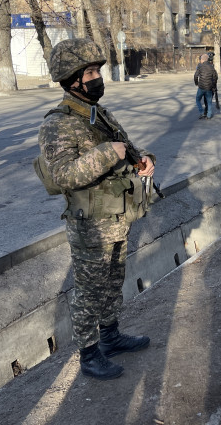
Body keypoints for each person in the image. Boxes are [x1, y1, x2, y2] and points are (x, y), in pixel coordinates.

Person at [38, 38, 155, 380]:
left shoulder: (99, 113)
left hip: (117, 217)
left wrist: (144, 160)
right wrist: (106, 154)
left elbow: (127, 149)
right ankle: (89, 354)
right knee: (90, 291)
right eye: (89, 72)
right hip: (90, 225)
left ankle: (111, 336)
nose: (96, 78)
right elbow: (63, 175)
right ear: (71, 79)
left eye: (96, 71)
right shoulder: (57, 123)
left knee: (113, 282)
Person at [194, 53, 217, 119]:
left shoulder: (200, 66)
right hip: (209, 88)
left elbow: (195, 76)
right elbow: (215, 78)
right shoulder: (212, 67)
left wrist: (196, 83)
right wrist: (213, 86)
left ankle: (201, 112)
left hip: (201, 87)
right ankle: (209, 115)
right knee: (209, 102)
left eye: (201, 59)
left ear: (202, 60)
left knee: (197, 99)